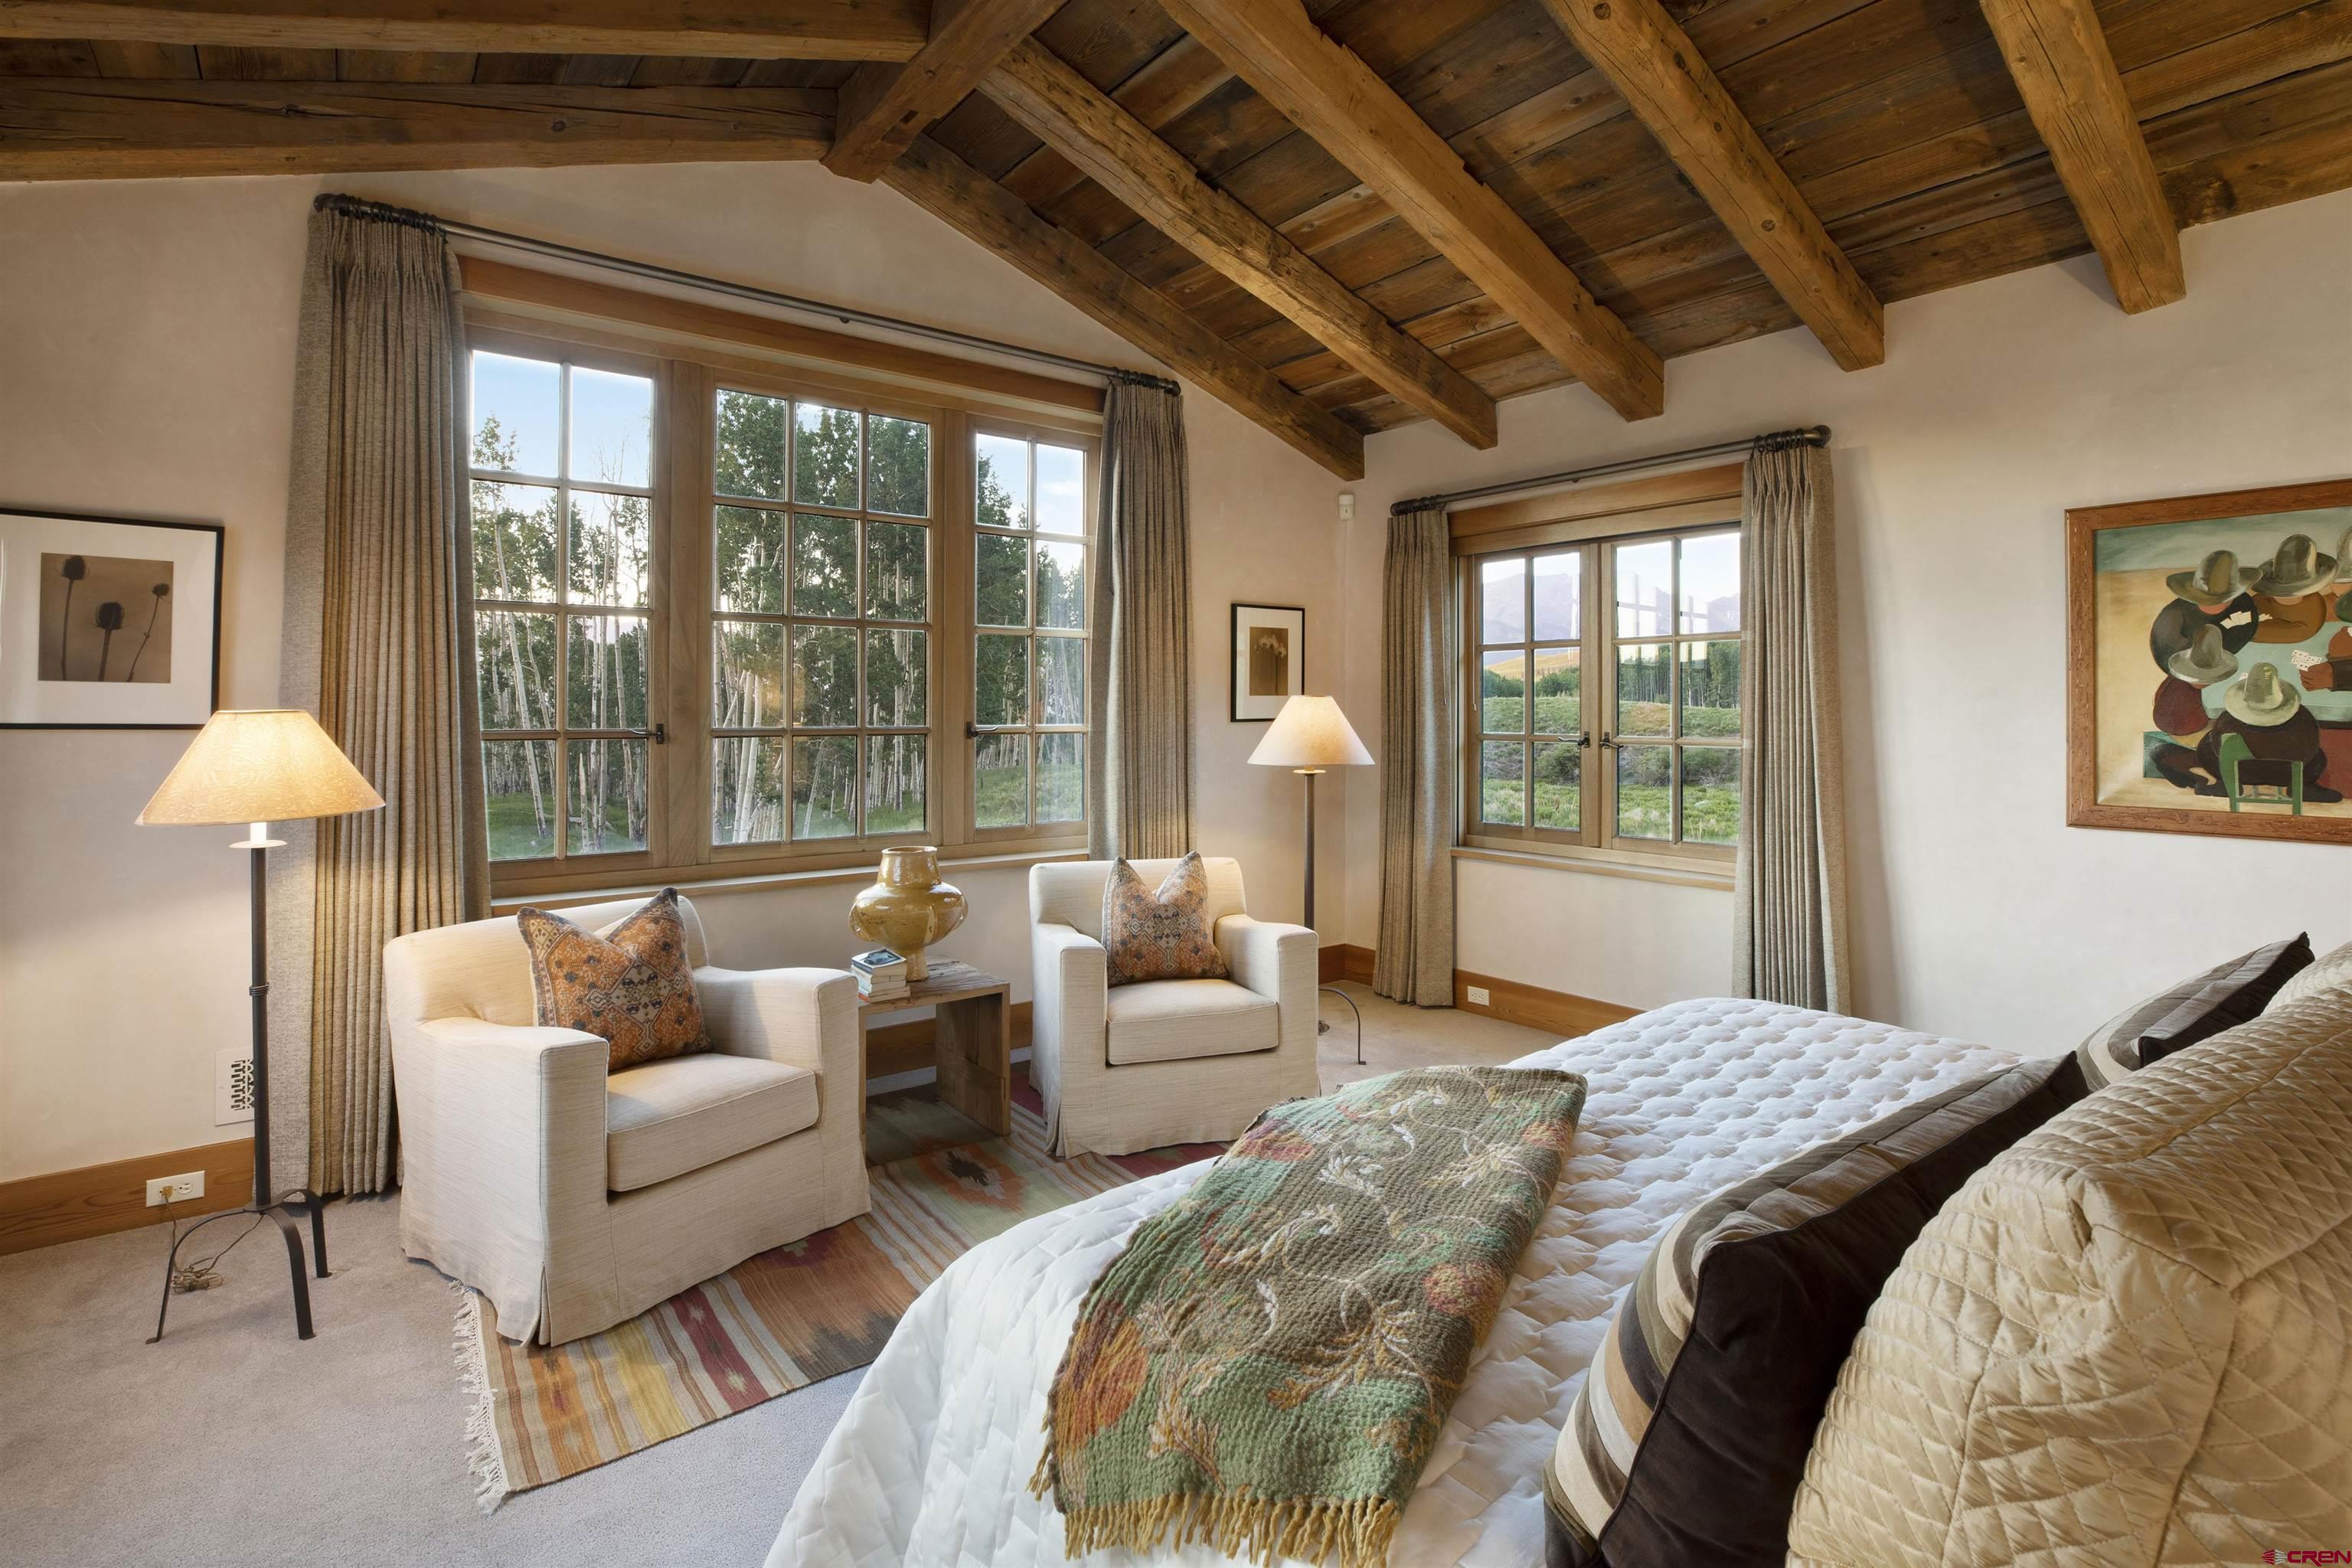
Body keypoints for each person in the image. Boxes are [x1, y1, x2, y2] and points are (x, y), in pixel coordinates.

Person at [2167, 662, 2341, 803]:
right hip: (2287, 775)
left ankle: (2227, 785)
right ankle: (2304, 787)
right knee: (2318, 756)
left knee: (2208, 745)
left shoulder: (2229, 720)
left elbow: (2219, 748)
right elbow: (2310, 750)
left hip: (2240, 772)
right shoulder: (2302, 717)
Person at [2148, 549, 2258, 671]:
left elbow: (2246, 632)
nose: (2215, 605)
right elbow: (2167, 659)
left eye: (2225, 599)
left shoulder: (2244, 604)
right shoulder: (2171, 618)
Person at [2243, 533, 2335, 644]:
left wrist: (2240, 629)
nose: (2283, 597)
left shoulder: (2313, 606)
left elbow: (2299, 633)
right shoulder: (2262, 600)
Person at [2151, 623, 2235, 741]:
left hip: (2165, 719)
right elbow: (2201, 690)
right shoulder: (2189, 691)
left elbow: (2158, 697)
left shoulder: (2175, 676)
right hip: (2186, 727)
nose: (2209, 682)